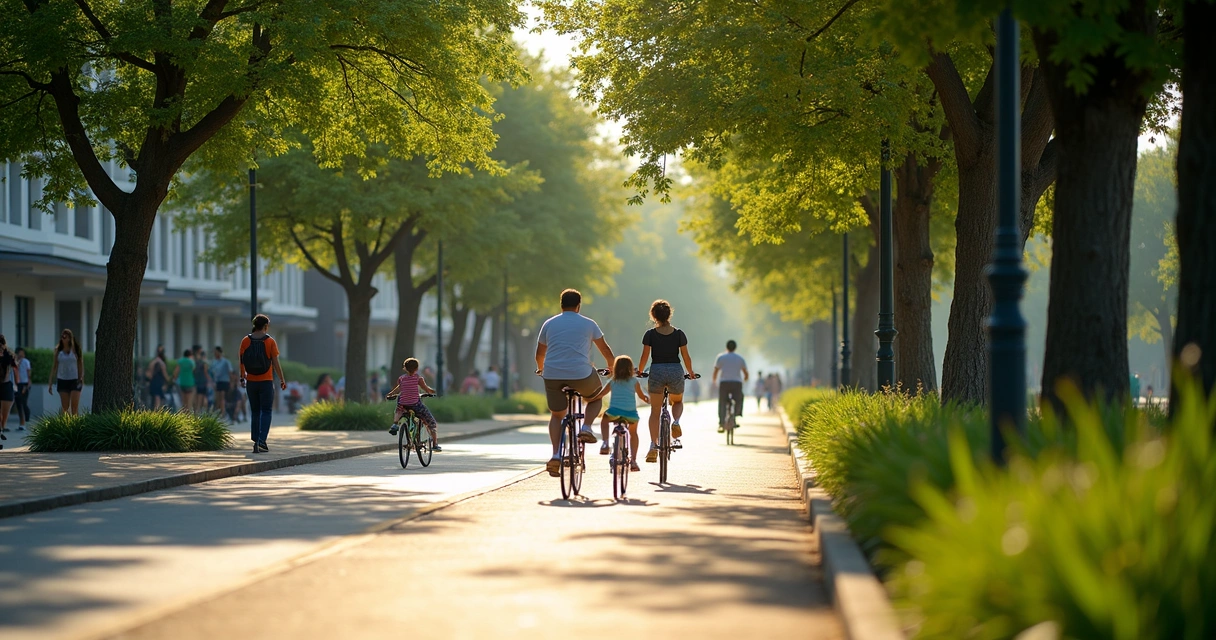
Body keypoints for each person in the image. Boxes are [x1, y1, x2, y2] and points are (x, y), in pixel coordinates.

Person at [535, 288, 615, 477]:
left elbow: (540, 354)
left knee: (556, 415)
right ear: (579, 306)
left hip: (552, 374)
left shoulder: (549, 323)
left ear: (561, 304)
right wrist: (612, 368)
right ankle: (586, 427)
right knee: (595, 398)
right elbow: (605, 349)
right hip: (581, 374)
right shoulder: (589, 324)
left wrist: (541, 369)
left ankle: (555, 455)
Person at [635, 299, 695, 461]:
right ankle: (675, 421)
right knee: (677, 401)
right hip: (676, 370)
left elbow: (644, 357)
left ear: (653, 316)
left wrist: (640, 371)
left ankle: (653, 445)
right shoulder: (679, 334)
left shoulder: (650, 334)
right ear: (669, 314)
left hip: (657, 371)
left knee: (655, 411)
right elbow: (686, 357)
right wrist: (690, 373)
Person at [589, 354, 649, 472]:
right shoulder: (634, 381)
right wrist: (648, 399)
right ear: (631, 368)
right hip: (631, 414)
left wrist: (590, 399)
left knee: (604, 419)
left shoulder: (613, 381)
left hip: (614, 413)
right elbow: (642, 397)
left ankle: (605, 443)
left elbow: (600, 394)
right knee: (633, 434)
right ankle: (634, 461)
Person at [239, 314, 287, 453]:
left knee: (255, 411)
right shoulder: (270, 341)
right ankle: (262, 441)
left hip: (251, 382)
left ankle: (255, 440)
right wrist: (282, 379)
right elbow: (275, 363)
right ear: (265, 326)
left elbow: (242, 361)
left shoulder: (245, 341)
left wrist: (243, 377)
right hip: (266, 381)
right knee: (266, 410)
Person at [387, 358, 441, 451]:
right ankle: (435, 444)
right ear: (416, 369)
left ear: (405, 368)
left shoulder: (401, 378)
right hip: (415, 404)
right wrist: (433, 391)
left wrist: (391, 394)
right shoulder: (418, 378)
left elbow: (398, 389)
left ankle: (395, 424)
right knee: (431, 422)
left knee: (399, 407)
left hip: (403, 404)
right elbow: (426, 389)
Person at [713, 340, 749, 433]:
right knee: (739, 398)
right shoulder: (740, 358)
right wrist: (744, 381)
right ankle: (736, 415)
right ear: (735, 348)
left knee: (722, 402)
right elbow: (746, 374)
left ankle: (721, 424)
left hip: (724, 383)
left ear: (726, 347)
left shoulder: (721, 357)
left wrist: (714, 381)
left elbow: (716, 371)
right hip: (736, 383)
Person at [48, 329, 85, 415]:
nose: (63, 339)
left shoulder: (76, 350)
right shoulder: (58, 351)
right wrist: (50, 382)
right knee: (65, 407)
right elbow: (54, 366)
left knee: (74, 408)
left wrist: (81, 377)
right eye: (62, 337)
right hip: (62, 380)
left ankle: (75, 425)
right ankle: (65, 426)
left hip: (75, 380)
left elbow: (80, 364)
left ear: (70, 338)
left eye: (65, 337)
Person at [211, 346, 234, 419]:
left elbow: (230, 372)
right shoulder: (214, 362)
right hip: (217, 381)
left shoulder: (225, 362)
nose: (215, 354)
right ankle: (219, 412)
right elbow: (212, 372)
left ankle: (223, 413)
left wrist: (231, 382)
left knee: (222, 397)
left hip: (225, 381)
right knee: (217, 398)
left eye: (216, 352)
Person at [0, 335, 15, 440]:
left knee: (4, 415)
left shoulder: (9, 356)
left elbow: (15, 368)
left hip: (6, 385)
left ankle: (2, 427)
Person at [145, 346, 170, 410]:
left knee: (156, 399)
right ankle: (157, 414)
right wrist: (169, 380)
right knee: (158, 400)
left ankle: (156, 413)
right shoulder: (161, 363)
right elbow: (165, 375)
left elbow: (149, 372)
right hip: (158, 383)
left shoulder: (154, 361)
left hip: (154, 382)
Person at [14, 347, 31, 429]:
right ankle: (22, 421)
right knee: (18, 402)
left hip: (25, 383)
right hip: (18, 384)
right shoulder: (15, 362)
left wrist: (27, 385)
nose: (21, 355)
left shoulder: (26, 362)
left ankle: (27, 418)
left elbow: (28, 373)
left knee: (24, 402)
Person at [193, 345, 211, 412]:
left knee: (197, 399)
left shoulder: (195, 362)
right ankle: (200, 413)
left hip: (196, 382)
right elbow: (206, 372)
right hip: (202, 382)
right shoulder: (204, 363)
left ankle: (197, 413)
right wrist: (210, 381)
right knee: (202, 399)